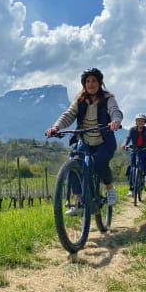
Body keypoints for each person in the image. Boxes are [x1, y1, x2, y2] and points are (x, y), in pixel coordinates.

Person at [45, 68, 123, 214]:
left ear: (99, 83)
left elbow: (115, 111)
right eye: (87, 81)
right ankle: (79, 201)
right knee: (74, 163)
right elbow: (68, 115)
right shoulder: (80, 99)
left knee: (100, 163)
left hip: (103, 141)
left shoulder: (108, 98)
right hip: (85, 140)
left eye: (94, 81)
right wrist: (56, 127)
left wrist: (115, 121)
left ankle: (109, 188)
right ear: (83, 84)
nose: (90, 84)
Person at [121, 113, 146, 196]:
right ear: (136, 122)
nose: (140, 122)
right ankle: (131, 189)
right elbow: (128, 137)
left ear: (145, 122)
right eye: (138, 121)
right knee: (132, 169)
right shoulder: (132, 129)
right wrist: (124, 144)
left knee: (143, 160)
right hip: (134, 149)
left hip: (145, 149)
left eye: (142, 121)